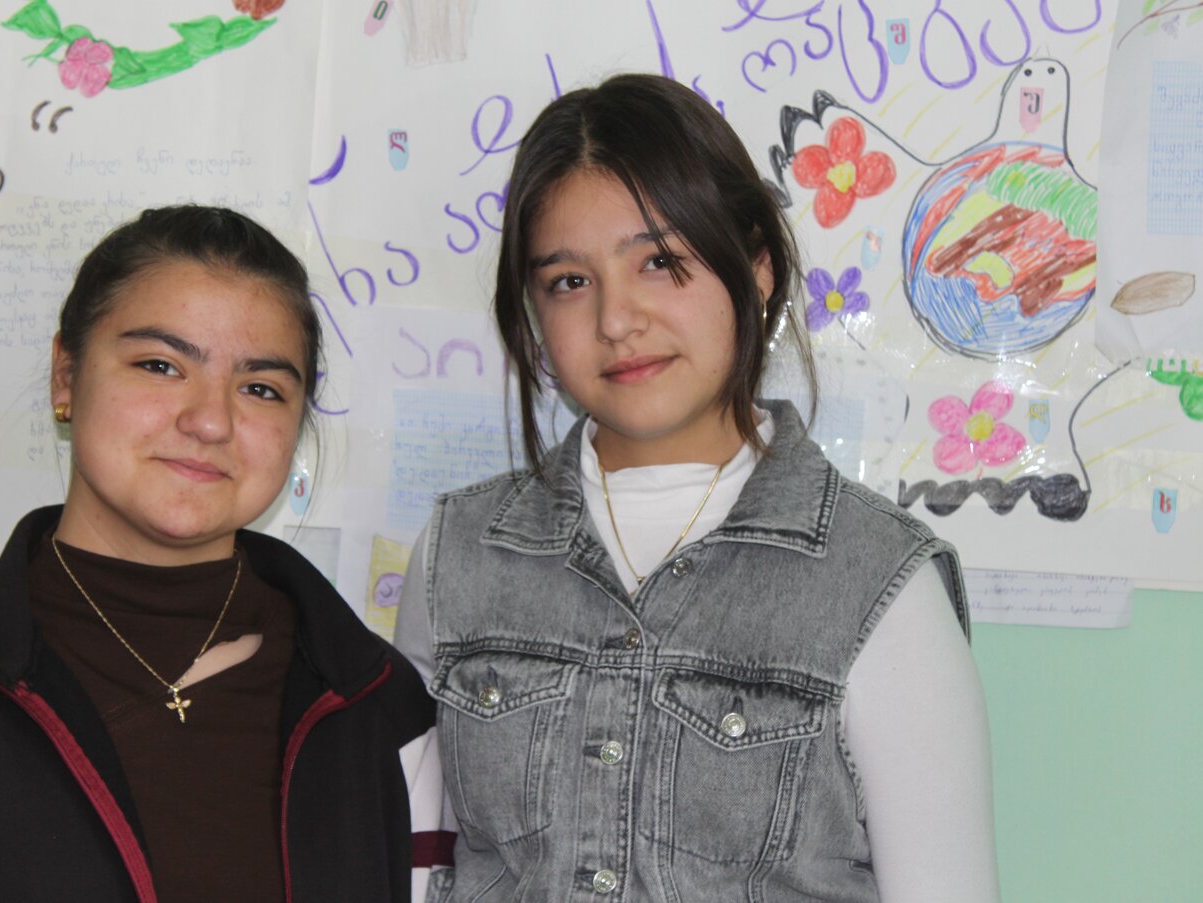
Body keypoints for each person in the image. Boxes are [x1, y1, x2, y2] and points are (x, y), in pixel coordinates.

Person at [394, 75, 1000, 901]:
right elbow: (412, 863)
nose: (616, 319)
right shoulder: (459, 554)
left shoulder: (877, 583)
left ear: (756, 268)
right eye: (569, 281)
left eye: (659, 262)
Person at [0, 206, 439, 903]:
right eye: (160, 365)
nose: (210, 421)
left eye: (261, 388)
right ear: (65, 375)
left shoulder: (383, 708)